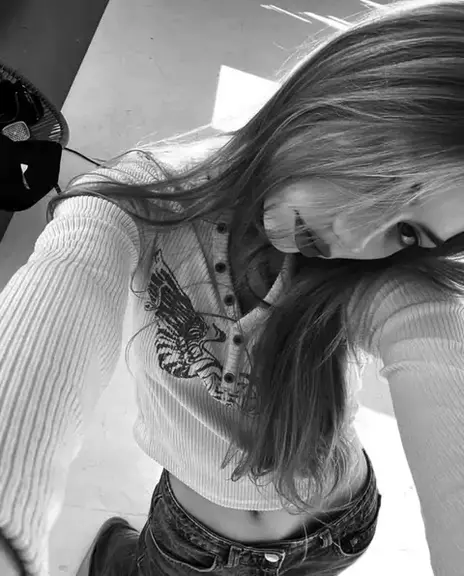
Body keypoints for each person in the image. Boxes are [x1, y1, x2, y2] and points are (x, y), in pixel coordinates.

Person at [2, 0, 464, 574]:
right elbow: (67, 284)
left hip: (339, 532)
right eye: (384, 177)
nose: (357, 239)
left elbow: (440, 347)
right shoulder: (139, 199)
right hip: (187, 545)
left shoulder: (380, 279)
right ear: (343, 84)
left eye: (407, 232)